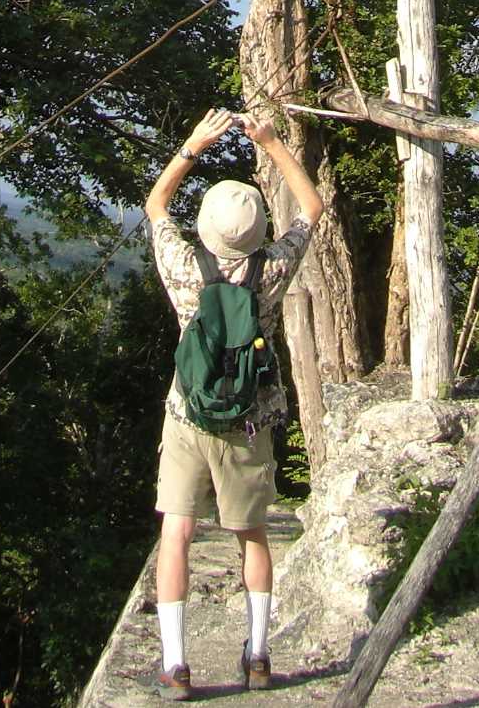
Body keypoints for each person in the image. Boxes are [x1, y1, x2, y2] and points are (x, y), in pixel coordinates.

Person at [144, 106, 324, 699]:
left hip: (187, 414)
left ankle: (175, 664)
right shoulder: (270, 269)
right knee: (251, 535)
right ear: (256, 230)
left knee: (177, 533)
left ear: (207, 229)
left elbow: (155, 206)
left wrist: (193, 144)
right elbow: (313, 209)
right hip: (251, 421)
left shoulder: (183, 267)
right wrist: (271, 145)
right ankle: (260, 656)